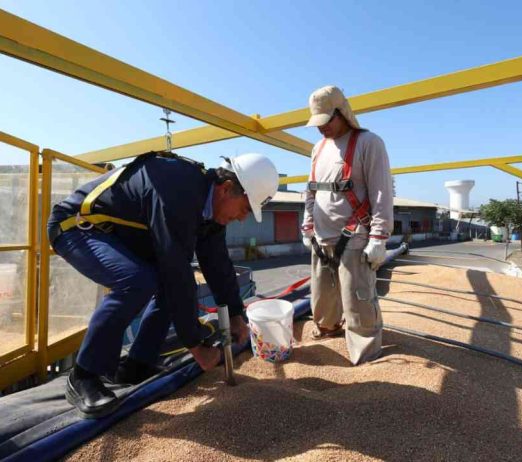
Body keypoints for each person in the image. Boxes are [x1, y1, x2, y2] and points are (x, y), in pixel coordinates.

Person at [48, 151, 279, 418]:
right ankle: (83, 376)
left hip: (120, 236)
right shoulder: (179, 188)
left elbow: (217, 265)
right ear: (227, 189)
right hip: (78, 226)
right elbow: (176, 270)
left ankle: (137, 366)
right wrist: (196, 347)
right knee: (138, 282)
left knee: (165, 285)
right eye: (246, 208)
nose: (242, 218)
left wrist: (237, 313)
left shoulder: (209, 211)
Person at [301, 85, 393, 365]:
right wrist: (307, 224)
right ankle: (328, 329)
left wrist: (379, 236)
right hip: (321, 237)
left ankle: (366, 355)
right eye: (317, 123)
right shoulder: (318, 148)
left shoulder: (368, 143)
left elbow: (381, 192)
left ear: (342, 113)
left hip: (354, 236)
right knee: (322, 298)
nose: (321, 129)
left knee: (358, 302)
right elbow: (311, 190)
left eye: (327, 121)